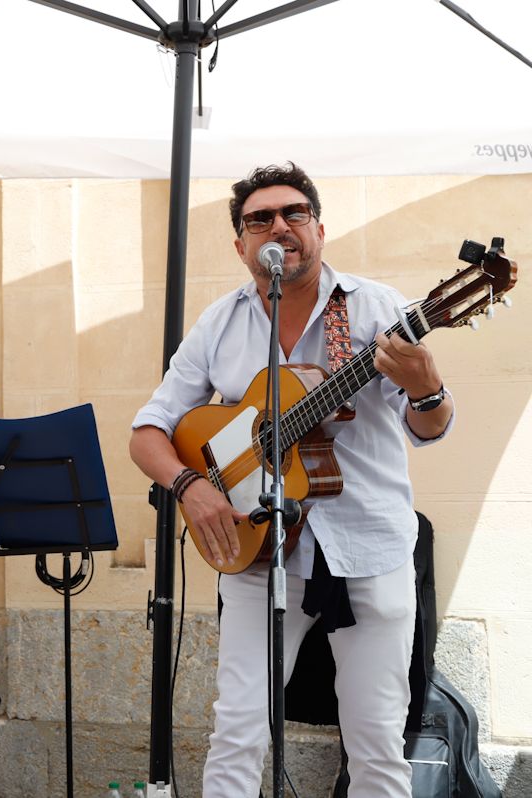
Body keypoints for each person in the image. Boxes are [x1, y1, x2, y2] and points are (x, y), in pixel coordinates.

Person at [129, 162, 454, 797]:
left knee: (378, 743)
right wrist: (191, 488)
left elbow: (431, 427)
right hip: (258, 551)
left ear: (319, 229)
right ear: (242, 243)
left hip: (370, 547)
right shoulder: (220, 323)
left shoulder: (375, 308)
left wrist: (427, 388)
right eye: (260, 219)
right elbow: (149, 431)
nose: (279, 226)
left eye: (293, 214)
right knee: (237, 733)